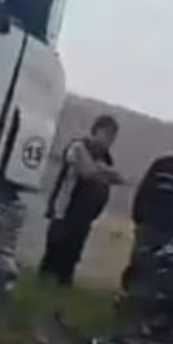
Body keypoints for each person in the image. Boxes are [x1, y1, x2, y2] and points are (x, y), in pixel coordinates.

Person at [39, 116, 124, 287]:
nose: (110, 140)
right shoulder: (78, 146)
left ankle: (62, 284)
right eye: (107, 134)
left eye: (113, 137)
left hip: (86, 214)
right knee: (55, 250)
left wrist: (106, 173)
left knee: (72, 254)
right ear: (96, 130)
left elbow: (115, 178)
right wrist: (106, 173)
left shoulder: (105, 157)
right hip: (65, 208)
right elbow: (88, 171)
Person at [121, 130, 173, 291]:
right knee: (139, 261)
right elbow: (144, 190)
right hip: (149, 224)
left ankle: (147, 298)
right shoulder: (161, 165)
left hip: (170, 231)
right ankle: (129, 293)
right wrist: (138, 217)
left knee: (158, 267)